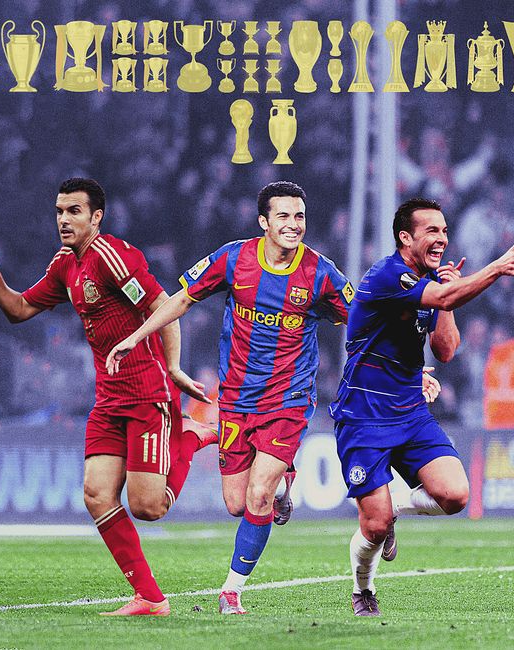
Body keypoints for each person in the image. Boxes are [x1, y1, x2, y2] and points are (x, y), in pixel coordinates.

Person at [0, 178, 216, 617]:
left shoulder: (114, 258)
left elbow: (167, 307)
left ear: (96, 217)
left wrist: (174, 368)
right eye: (59, 211)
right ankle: (150, 598)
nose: (64, 219)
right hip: (108, 400)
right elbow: (19, 310)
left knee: (148, 508)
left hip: (147, 394)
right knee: (97, 494)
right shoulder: (65, 265)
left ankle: (190, 437)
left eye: (74, 211)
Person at [105, 181, 355, 614]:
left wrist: (410, 369)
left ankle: (231, 591)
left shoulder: (321, 273)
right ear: (263, 222)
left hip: (289, 397)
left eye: (299, 216)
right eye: (283, 216)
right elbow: (181, 300)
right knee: (237, 503)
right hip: (237, 397)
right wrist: (136, 337)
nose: (293, 224)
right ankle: (281, 479)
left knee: (258, 496)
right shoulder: (234, 258)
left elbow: (365, 322)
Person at [329, 197, 514, 616]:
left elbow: (445, 350)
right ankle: (363, 589)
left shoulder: (431, 285)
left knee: (456, 495)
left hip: (409, 411)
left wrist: (448, 299)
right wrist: (494, 268)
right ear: (406, 238)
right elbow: (442, 298)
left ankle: (394, 507)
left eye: (444, 230)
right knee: (374, 526)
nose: (441, 238)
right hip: (364, 416)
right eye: (431, 231)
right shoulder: (390, 275)